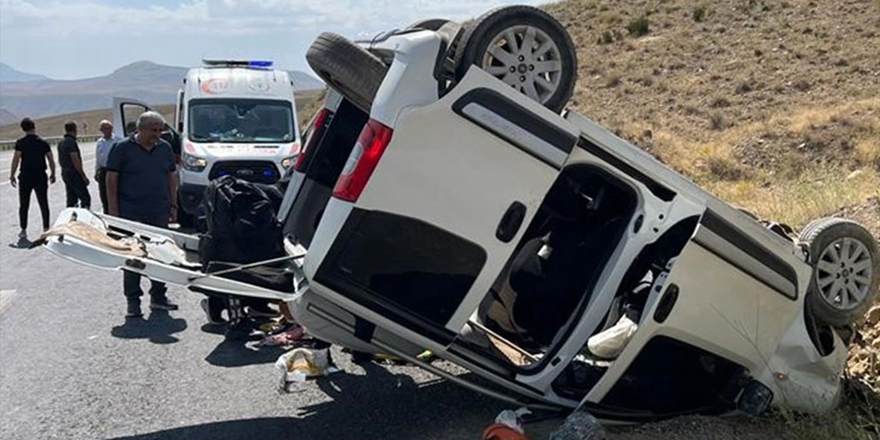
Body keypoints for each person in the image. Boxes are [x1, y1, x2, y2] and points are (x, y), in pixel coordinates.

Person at [106, 111, 179, 318]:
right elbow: (111, 180)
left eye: (160, 130)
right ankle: (133, 300)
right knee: (132, 257)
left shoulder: (164, 148)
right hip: (130, 212)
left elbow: (171, 178)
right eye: (153, 130)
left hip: (158, 210)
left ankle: (158, 297)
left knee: (160, 255)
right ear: (140, 129)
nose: (158, 134)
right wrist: (113, 211)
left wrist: (174, 206)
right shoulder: (122, 149)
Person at [8, 118, 56, 239]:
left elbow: (16, 159)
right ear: (34, 127)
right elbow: (51, 160)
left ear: (23, 129)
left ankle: (23, 229)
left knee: (24, 203)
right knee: (43, 202)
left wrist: (12, 174)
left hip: (25, 176)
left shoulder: (20, 142)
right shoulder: (43, 143)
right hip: (40, 175)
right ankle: (46, 228)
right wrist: (53, 173)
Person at [57, 121, 91, 209]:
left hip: (65, 172)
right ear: (75, 130)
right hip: (73, 173)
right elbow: (75, 159)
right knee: (85, 198)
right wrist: (83, 176)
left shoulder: (61, 143)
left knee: (71, 199)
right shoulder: (71, 142)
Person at [94, 120, 120, 214]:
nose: (106, 130)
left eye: (108, 128)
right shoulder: (100, 142)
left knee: (115, 196)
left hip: (115, 171)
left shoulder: (118, 140)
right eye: (104, 129)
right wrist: (96, 171)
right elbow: (98, 158)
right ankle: (107, 216)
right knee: (104, 196)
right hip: (103, 171)